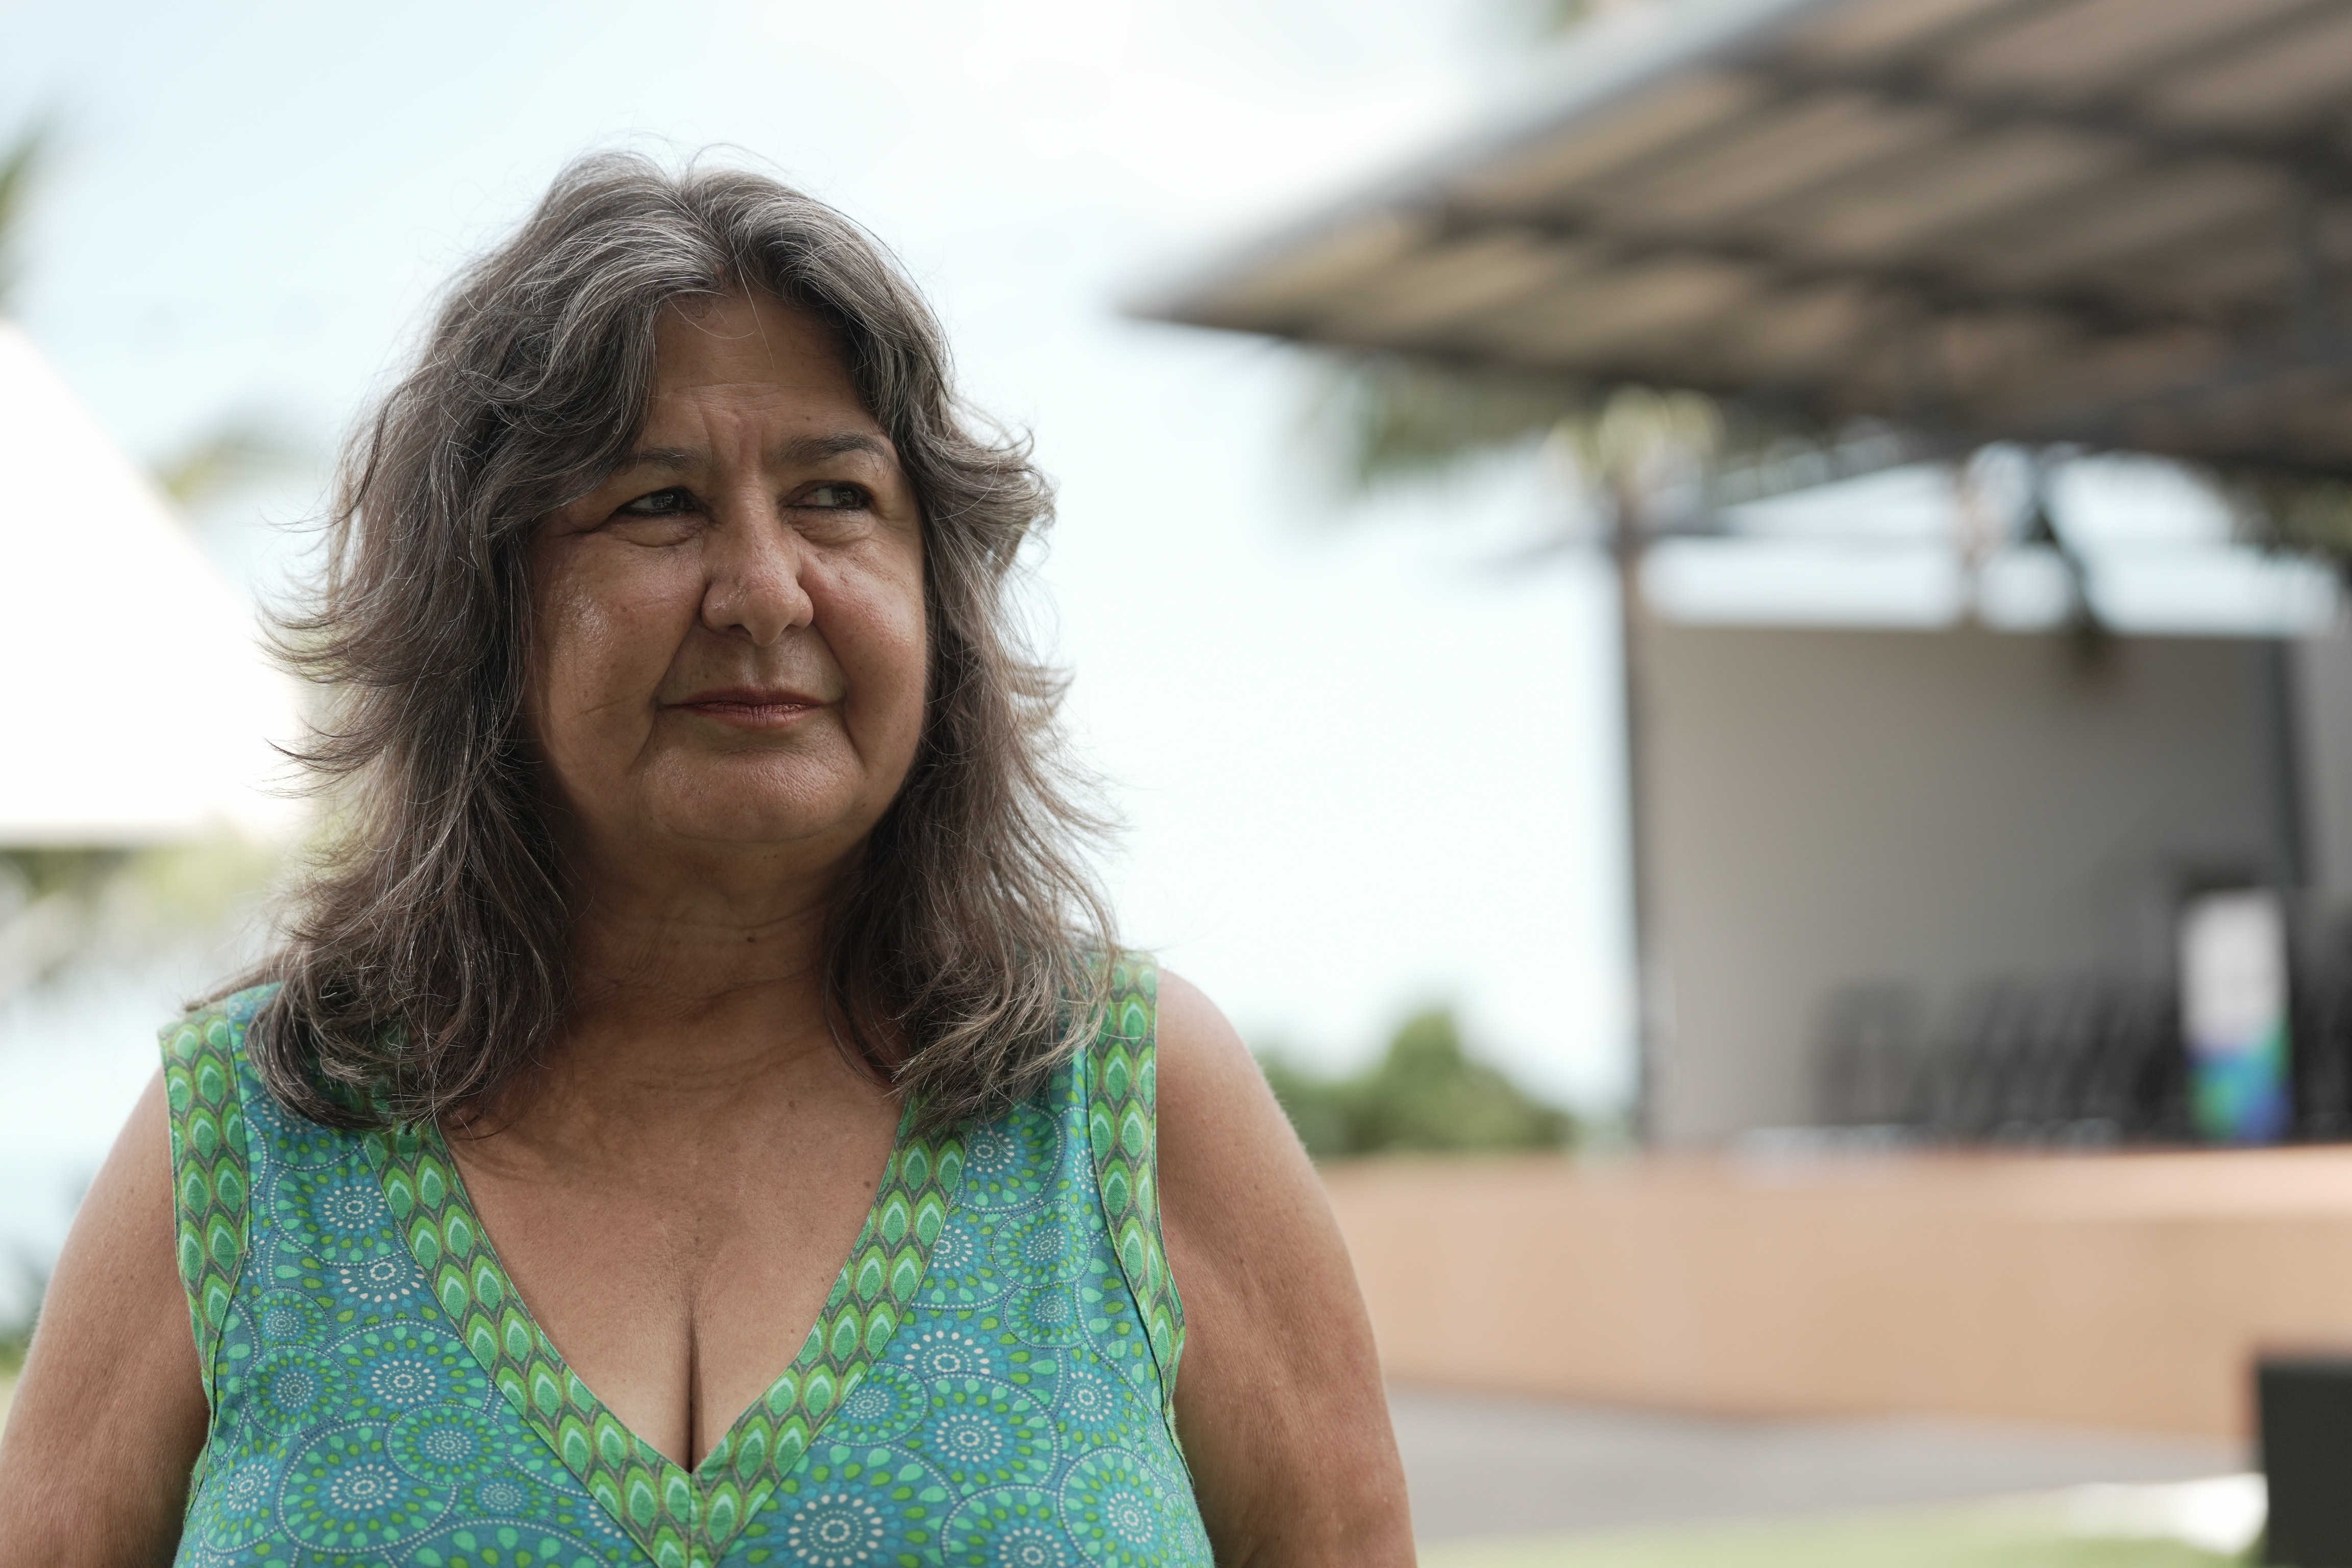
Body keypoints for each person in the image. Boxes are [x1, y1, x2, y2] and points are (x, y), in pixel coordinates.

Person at [0, 154, 1413, 1566]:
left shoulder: (1125, 1106)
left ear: (942, 597)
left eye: (838, 497)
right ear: (483, 607)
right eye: (655, 504)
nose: (762, 589)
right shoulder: (246, 1144)